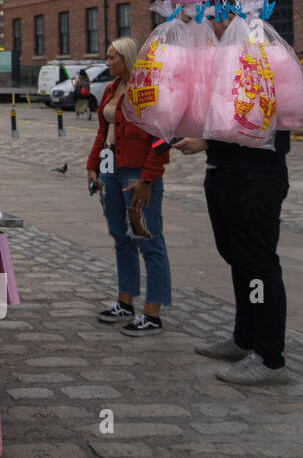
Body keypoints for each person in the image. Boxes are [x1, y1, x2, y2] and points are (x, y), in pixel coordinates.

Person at [176, 127, 291, 385]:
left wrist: (206, 139)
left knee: (258, 266)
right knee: (239, 260)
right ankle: (245, 338)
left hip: (253, 173)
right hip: (223, 168)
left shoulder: (273, 83)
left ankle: (270, 358)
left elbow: (257, 113)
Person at [85, 36, 172, 335]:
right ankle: (125, 300)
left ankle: (153, 312)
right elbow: (103, 131)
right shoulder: (111, 89)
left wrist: (148, 178)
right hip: (110, 169)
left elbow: (161, 139)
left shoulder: (147, 91)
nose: (107, 63)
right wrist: (92, 166)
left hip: (137, 174)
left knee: (148, 239)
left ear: (127, 58)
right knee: (121, 237)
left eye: (112, 58)